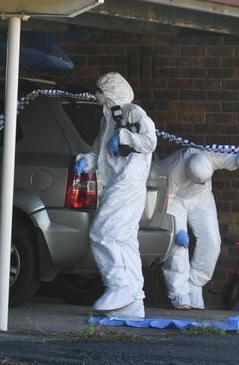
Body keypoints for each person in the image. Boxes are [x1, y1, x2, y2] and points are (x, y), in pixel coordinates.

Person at [74, 72, 157, 320]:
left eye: (100, 91)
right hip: (113, 186)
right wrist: (85, 162)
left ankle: (118, 286)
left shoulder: (134, 112)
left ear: (109, 91)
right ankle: (132, 304)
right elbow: (99, 152)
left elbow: (150, 141)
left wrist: (126, 138)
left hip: (128, 184)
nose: (97, 96)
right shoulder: (107, 119)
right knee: (125, 242)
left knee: (102, 234)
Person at [161, 148, 239, 309]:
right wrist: (175, 229)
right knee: (178, 245)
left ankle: (195, 284)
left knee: (212, 241)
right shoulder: (172, 169)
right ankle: (179, 292)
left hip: (202, 197)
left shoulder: (207, 156)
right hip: (175, 200)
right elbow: (164, 200)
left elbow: (226, 158)